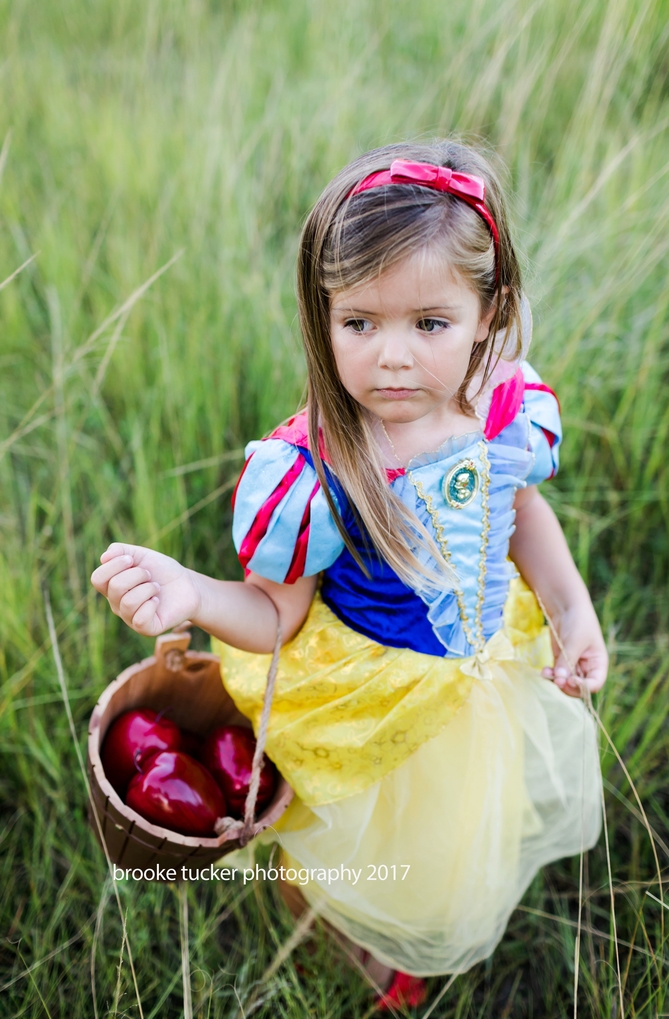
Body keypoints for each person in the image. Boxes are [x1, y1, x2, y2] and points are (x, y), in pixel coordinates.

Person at [91, 140, 605, 1010]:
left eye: (428, 324)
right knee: (357, 841)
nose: (391, 358)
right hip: (371, 691)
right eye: (359, 323)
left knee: (452, 841)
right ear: (321, 316)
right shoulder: (319, 468)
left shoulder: (503, 409)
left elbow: (516, 512)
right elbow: (273, 613)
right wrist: (195, 592)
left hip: (475, 680)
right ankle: (332, 915)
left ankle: (407, 909)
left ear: (490, 311)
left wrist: (569, 607)